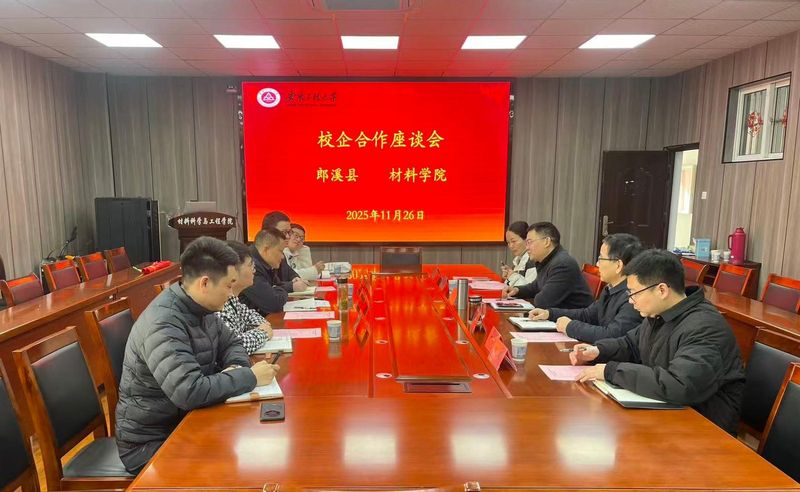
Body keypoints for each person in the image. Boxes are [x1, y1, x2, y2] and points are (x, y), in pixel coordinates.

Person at [115, 237, 279, 473]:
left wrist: (237, 367)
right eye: (228, 286)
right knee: (244, 465)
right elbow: (189, 391)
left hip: (188, 422)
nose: (231, 294)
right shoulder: (163, 323)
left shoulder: (201, 307)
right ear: (205, 283)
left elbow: (232, 343)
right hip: (152, 443)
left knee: (254, 449)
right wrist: (249, 377)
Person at [570, 249, 745, 435]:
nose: (631, 301)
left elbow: (679, 385)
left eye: (634, 293)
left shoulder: (705, 327)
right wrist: (598, 351)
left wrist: (611, 371)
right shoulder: (660, 314)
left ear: (662, 290)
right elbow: (631, 344)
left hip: (705, 432)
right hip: (668, 418)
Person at [528, 233, 643, 343]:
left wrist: (570, 326)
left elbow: (612, 335)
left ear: (618, 265)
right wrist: (550, 313)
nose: (597, 264)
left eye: (601, 258)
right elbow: (587, 315)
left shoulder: (633, 296)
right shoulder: (611, 287)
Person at [502, 222, 593, 309]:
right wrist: (517, 290)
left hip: (572, 317)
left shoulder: (562, 264)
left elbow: (543, 302)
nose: (527, 247)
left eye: (529, 242)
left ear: (547, 242)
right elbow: (536, 286)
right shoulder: (547, 260)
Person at [218, 240, 273, 354]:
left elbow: (251, 316)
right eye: (250, 265)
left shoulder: (232, 298)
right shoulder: (218, 303)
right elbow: (233, 346)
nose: (254, 270)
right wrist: (262, 333)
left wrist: (259, 329)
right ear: (232, 270)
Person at [240, 227, 291, 315]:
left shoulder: (265, 263)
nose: (283, 257)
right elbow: (273, 304)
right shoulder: (251, 266)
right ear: (266, 249)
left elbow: (277, 285)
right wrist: (279, 290)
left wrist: (275, 289)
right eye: (280, 251)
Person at [261, 210, 308, 293]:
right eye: (284, 232)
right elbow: (268, 290)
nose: (287, 236)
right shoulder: (255, 257)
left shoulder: (279, 252)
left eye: (289, 232)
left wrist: (295, 278)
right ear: (268, 233)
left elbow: (289, 272)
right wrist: (292, 286)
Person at [501, 221, 536, 287]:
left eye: (513, 241)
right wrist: (508, 277)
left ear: (526, 239)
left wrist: (513, 276)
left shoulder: (533, 260)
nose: (511, 246)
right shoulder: (518, 260)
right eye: (508, 242)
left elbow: (530, 288)